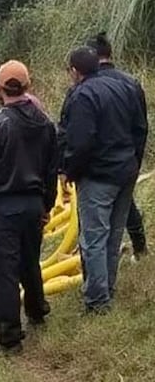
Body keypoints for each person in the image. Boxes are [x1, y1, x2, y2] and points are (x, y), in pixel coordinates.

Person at [0, 60, 58, 354]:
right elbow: (51, 171)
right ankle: (37, 312)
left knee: (4, 272)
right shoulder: (46, 124)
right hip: (34, 204)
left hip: (2, 208)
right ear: (28, 86)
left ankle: (10, 338)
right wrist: (47, 204)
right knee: (29, 261)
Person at [60, 47, 147, 313]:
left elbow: (80, 142)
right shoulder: (126, 86)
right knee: (113, 234)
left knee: (94, 238)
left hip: (99, 176)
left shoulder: (82, 95)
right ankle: (107, 288)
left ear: (75, 71)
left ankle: (97, 300)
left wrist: (69, 172)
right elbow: (140, 128)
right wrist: (134, 162)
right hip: (126, 171)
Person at [87, 32, 149, 261]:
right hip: (127, 160)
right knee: (126, 202)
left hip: (98, 166)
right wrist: (135, 159)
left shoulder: (87, 86)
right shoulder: (131, 83)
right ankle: (140, 246)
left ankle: (100, 271)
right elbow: (141, 127)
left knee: (97, 219)